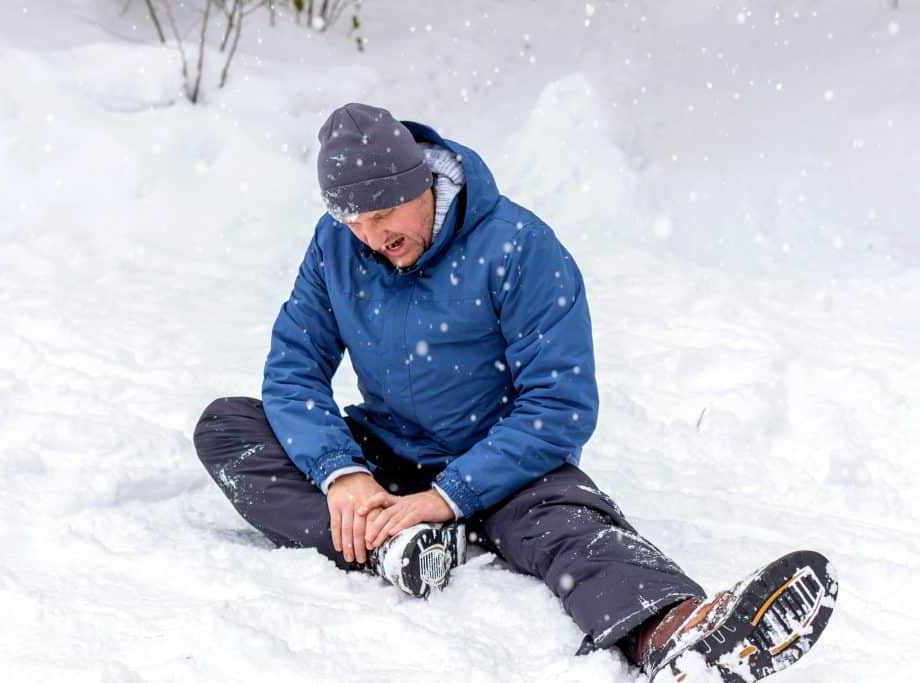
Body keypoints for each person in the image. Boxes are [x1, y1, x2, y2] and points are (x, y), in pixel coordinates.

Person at [192, 103, 837, 681]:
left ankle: (682, 634)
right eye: (354, 222)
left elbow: (559, 406)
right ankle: (391, 543)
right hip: (387, 451)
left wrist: (449, 496)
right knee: (228, 428)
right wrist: (343, 476)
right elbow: (293, 369)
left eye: (383, 218)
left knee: (572, 533)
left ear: (420, 183)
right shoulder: (338, 246)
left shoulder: (519, 247)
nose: (370, 239)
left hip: (502, 465)